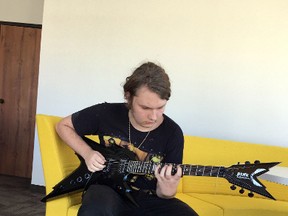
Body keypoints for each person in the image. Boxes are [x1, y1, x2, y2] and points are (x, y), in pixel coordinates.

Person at [56, 62, 198, 216]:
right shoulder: (105, 113)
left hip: (148, 198)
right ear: (128, 96)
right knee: (94, 211)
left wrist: (168, 189)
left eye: (161, 107)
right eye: (145, 108)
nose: (154, 116)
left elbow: (165, 195)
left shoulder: (173, 133)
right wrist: (87, 153)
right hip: (107, 190)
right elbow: (63, 126)